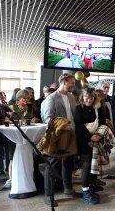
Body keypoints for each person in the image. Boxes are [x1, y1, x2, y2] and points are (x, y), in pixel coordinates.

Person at [41, 73, 81, 207]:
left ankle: (68, 189)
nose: (73, 85)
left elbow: (73, 115)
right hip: (57, 137)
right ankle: (48, 195)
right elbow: (47, 118)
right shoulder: (52, 98)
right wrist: (62, 125)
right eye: (71, 83)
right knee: (52, 165)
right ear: (63, 82)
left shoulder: (71, 96)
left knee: (68, 163)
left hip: (70, 136)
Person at [74, 88, 106, 204]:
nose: (88, 100)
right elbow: (78, 124)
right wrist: (90, 137)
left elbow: (103, 123)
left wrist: (98, 134)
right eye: (86, 97)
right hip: (83, 140)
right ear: (82, 97)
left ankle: (91, 185)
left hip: (96, 139)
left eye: (91, 98)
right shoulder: (79, 108)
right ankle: (85, 191)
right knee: (86, 166)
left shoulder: (98, 108)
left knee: (94, 164)